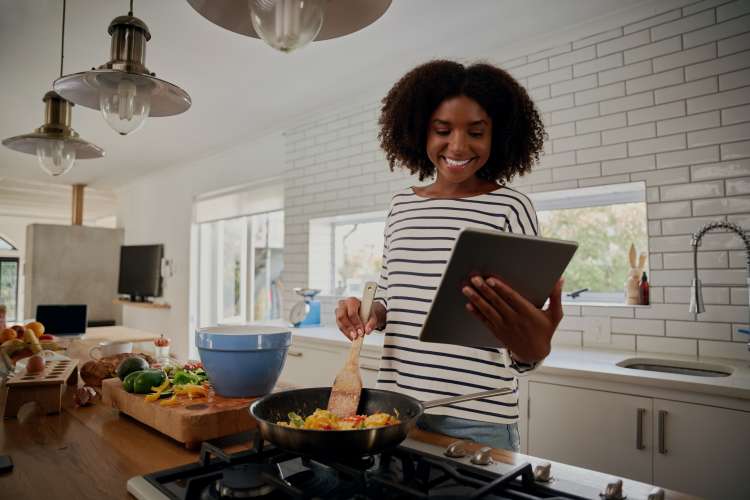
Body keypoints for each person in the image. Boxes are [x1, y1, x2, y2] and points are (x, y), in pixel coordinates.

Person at [335, 60, 564, 451]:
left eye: (476, 132)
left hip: (478, 415)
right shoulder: (401, 206)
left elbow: (522, 324)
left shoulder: (510, 206)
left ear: (499, 135)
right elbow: (392, 294)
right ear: (419, 130)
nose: (457, 146)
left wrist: (534, 343)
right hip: (395, 408)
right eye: (443, 130)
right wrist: (371, 312)